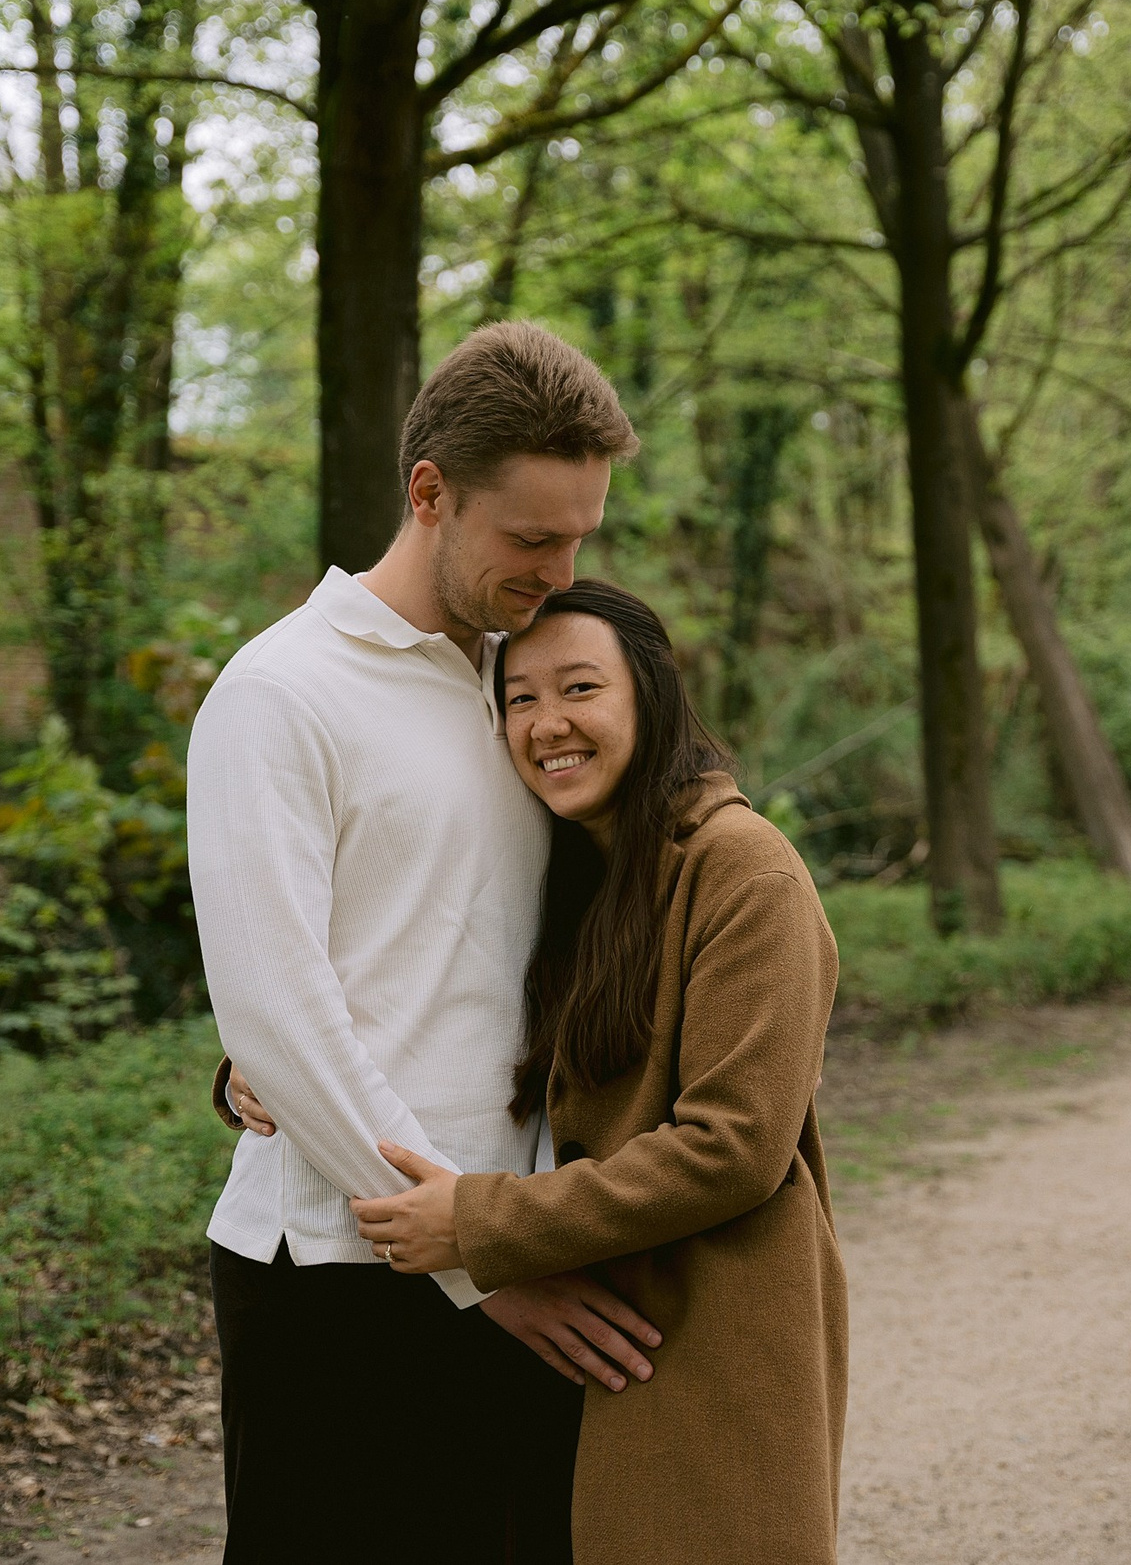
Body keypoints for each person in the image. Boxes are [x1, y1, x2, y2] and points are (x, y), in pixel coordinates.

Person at [233, 580, 847, 1564]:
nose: (547, 723)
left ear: (651, 693)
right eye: (519, 698)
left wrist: (477, 1224)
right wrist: (268, 1065)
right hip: (570, 1321)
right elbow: (435, 995)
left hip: (697, 1322)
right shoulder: (567, 861)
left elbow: (737, 1145)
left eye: (580, 688)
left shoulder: (744, 869)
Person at [188, 323, 664, 1565]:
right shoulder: (278, 693)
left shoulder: (531, 683)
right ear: (430, 493)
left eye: (580, 538)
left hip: (531, 1233)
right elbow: (277, 1008)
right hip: (342, 1273)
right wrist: (479, 1270)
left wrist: (521, 1241)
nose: (560, 571)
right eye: (531, 538)